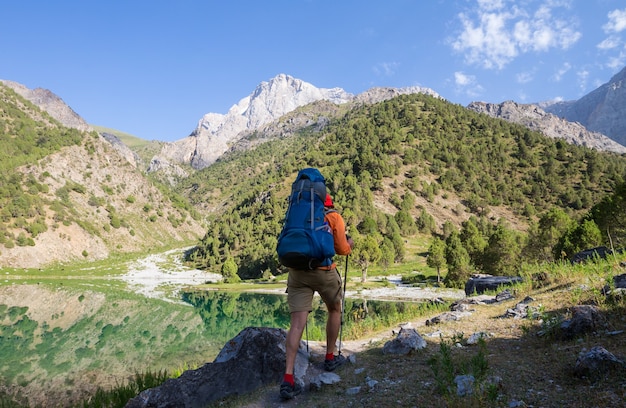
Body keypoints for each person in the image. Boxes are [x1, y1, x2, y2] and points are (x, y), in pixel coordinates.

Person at [280, 193, 354, 400]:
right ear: (327, 202)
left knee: (296, 324)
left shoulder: (295, 214)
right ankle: (330, 357)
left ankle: (288, 378)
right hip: (324, 272)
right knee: (334, 309)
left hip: (297, 274)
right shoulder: (333, 217)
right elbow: (341, 249)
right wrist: (350, 243)